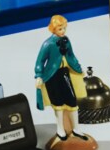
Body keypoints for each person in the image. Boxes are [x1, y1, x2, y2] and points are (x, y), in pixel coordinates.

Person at [35, 14, 88, 142]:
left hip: (65, 73)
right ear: (53, 29)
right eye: (60, 29)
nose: (63, 31)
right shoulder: (48, 44)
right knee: (57, 102)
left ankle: (76, 128)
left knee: (72, 100)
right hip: (52, 75)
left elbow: (71, 55)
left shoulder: (66, 40)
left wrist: (79, 68)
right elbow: (40, 61)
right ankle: (60, 129)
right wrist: (39, 75)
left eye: (64, 28)